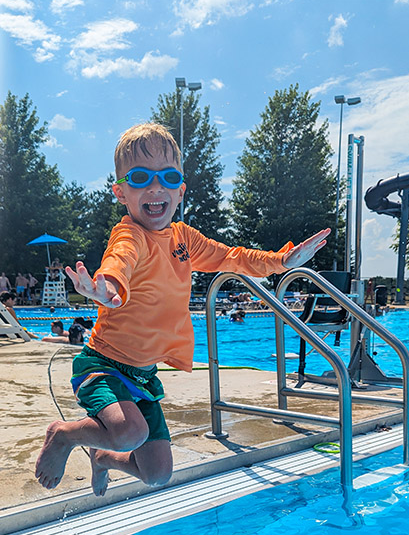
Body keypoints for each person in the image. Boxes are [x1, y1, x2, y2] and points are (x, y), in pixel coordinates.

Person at [35, 123, 328, 497]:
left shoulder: (184, 239)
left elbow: (232, 257)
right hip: (104, 365)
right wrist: (105, 289)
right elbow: (119, 262)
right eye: (141, 178)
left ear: (180, 191)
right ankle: (63, 435)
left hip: (142, 376)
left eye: (168, 177)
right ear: (121, 193)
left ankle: (102, 457)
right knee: (131, 432)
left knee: (156, 473)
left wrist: (282, 260)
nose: (156, 188)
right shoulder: (131, 234)